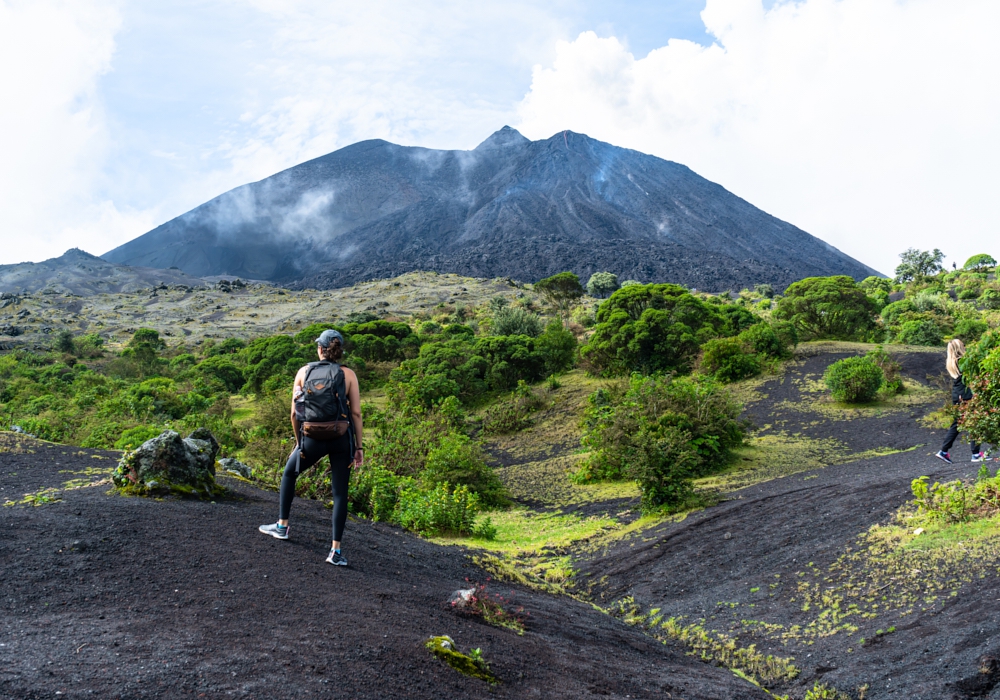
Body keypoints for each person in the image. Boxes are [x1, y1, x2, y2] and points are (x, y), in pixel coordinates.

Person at [259, 330, 364, 566]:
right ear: (339, 350)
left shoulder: (304, 371)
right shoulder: (348, 374)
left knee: (289, 473)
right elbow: (356, 413)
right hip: (340, 437)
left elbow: (294, 413)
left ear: (320, 349)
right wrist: (359, 447)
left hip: (311, 437)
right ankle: (335, 552)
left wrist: (299, 443)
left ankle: (282, 526)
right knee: (340, 493)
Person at [936, 338, 986, 465]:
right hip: (964, 394)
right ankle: (976, 454)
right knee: (975, 421)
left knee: (957, 424)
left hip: (957, 394)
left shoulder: (951, 362)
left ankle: (943, 451)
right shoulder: (963, 361)